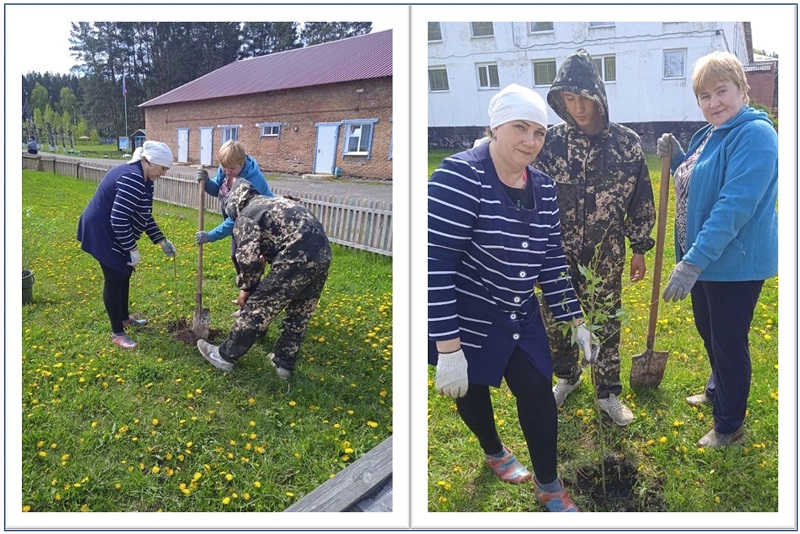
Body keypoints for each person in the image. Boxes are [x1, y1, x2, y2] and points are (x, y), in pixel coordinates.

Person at [428, 83, 597, 512]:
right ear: (494, 127)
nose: (530, 141)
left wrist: (575, 320)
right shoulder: (458, 176)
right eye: (520, 127)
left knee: (538, 391)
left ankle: (548, 483)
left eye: (539, 132)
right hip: (465, 315)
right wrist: (449, 349)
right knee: (471, 386)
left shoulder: (542, 186)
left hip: (520, 313)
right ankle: (494, 450)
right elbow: (434, 264)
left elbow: (551, 261)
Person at [657, 51, 778, 448]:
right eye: (704, 96)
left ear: (743, 89)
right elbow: (700, 182)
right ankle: (717, 389)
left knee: (728, 344)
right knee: (710, 334)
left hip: (733, 263)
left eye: (721, 91)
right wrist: (677, 159)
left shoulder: (755, 135)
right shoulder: (710, 133)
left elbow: (732, 206)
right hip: (706, 261)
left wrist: (692, 261)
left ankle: (729, 426)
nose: (713, 103)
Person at [535, 48, 656, 426]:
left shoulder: (626, 144)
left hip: (606, 255)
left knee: (604, 322)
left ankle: (607, 393)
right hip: (557, 255)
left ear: (599, 96)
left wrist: (639, 247)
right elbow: (530, 197)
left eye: (584, 97)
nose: (578, 107)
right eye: (569, 99)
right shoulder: (550, 144)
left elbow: (640, 199)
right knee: (556, 322)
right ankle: (567, 378)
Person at [196, 178, 331, 379]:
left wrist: (247, 289)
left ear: (234, 205)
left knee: (259, 306)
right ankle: (283, 365)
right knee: (299, 312)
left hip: (296, 256)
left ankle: (224, 356)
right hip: (323, 254)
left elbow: (247, 261)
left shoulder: (247, 216)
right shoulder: (272, 202)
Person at [76, 140, 178, 349]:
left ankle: (123, 318)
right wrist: (132, 248)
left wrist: (161, 240)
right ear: (149, 162)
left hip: (112, 229)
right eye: (163, 168)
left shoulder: (146, 179)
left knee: (124, 272)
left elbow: (144, 215)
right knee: (114, 275)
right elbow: (119, 219)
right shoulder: (132, 178)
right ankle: (117, 333)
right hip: (101, 231)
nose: (164, 173)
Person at [195, 140, 274, 277]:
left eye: (231, 168)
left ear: (241, 163)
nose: (227, 172)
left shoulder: (252, 181)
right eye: (224, 168)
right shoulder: (226, 169)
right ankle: (246, 289)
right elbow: (218, 190)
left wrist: (210, 235)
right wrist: (207, 182)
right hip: (240, 224)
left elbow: (237, 218)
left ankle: (252, 293)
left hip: (259, 223)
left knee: (248, 260)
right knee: (235, 256)